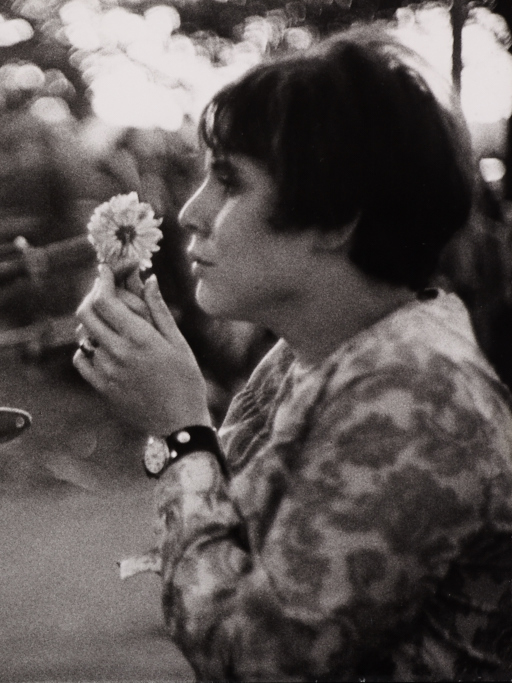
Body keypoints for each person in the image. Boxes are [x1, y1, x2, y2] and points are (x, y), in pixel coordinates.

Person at [74, 28, 512, 680]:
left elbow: (257, 659)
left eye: (229, 181)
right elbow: (235, 547)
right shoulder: (312, 355)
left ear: (338, 218)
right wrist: (171, 393)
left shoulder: (416, 391)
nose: (192, 212)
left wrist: (178, 432)